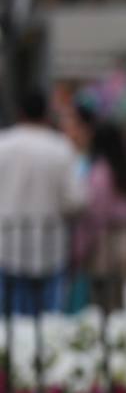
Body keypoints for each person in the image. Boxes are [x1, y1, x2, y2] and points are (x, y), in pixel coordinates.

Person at [0, 89, 89, 315]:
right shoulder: (61, 148)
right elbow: (75, 201)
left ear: (20, 113)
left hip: (7, 245)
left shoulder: (4, 144)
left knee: (10, 325)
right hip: (50, 246)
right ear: (46, 115)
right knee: (48, 324)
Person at [71, 122, 126, 311]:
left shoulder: (100, 172)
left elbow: (95, 213)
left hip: (105, 244)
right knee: (124, 303)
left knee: (102, 305)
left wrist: (80, 248)